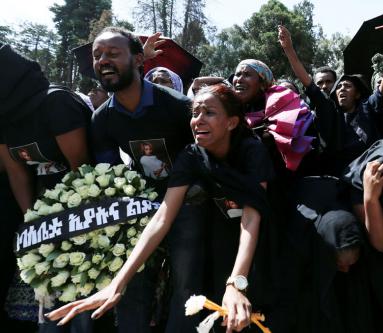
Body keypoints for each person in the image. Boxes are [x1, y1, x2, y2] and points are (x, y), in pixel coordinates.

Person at [45, 84, 275, 333]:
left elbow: (251, 216)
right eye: (195, 113)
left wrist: (237, 283)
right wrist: (118, 283)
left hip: (265, 236)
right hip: (222, 234)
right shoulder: (191, 155)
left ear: (231, 123)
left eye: (209, 113)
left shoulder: (253, 150)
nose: (198, 120)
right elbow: (163, 217)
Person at [87, 26, 195, 332]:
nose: (103, 60)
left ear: (138, 59)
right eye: (98, 55)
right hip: (140, 210)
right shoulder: (102, 119)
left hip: (189, 204)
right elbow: (109, 174)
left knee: (186, 284)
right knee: (132, 287)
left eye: (113, 53)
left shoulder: (178, 106)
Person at [0, 43, 92, 331]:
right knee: (48, 298)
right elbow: (17, 172)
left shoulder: (55, 103)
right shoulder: (3, 115)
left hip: (83, 209)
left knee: (81, 290)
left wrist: (69, 222)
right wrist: (33, 222)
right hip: (42, 209)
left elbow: (82, 168)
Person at [279, 11, 383, 175]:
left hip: (376, 168)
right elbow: (308, 82)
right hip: (342, 177)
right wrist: (288, 49)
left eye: (348, 86)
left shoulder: (369, 107)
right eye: (339, 87)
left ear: (358, 94)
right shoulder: (330, 111)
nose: (342, 89)